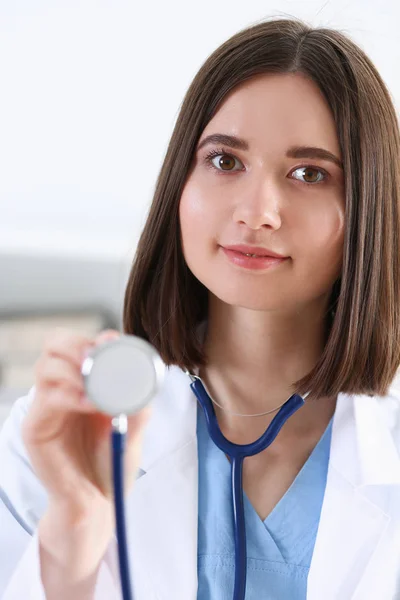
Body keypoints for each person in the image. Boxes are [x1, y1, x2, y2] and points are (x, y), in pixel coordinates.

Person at [1, 15, 400, 600]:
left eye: (309, 174)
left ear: (367, 213)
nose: (258, 211)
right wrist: (70, 548)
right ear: (179, 185)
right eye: (225, 161)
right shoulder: (53, 439)